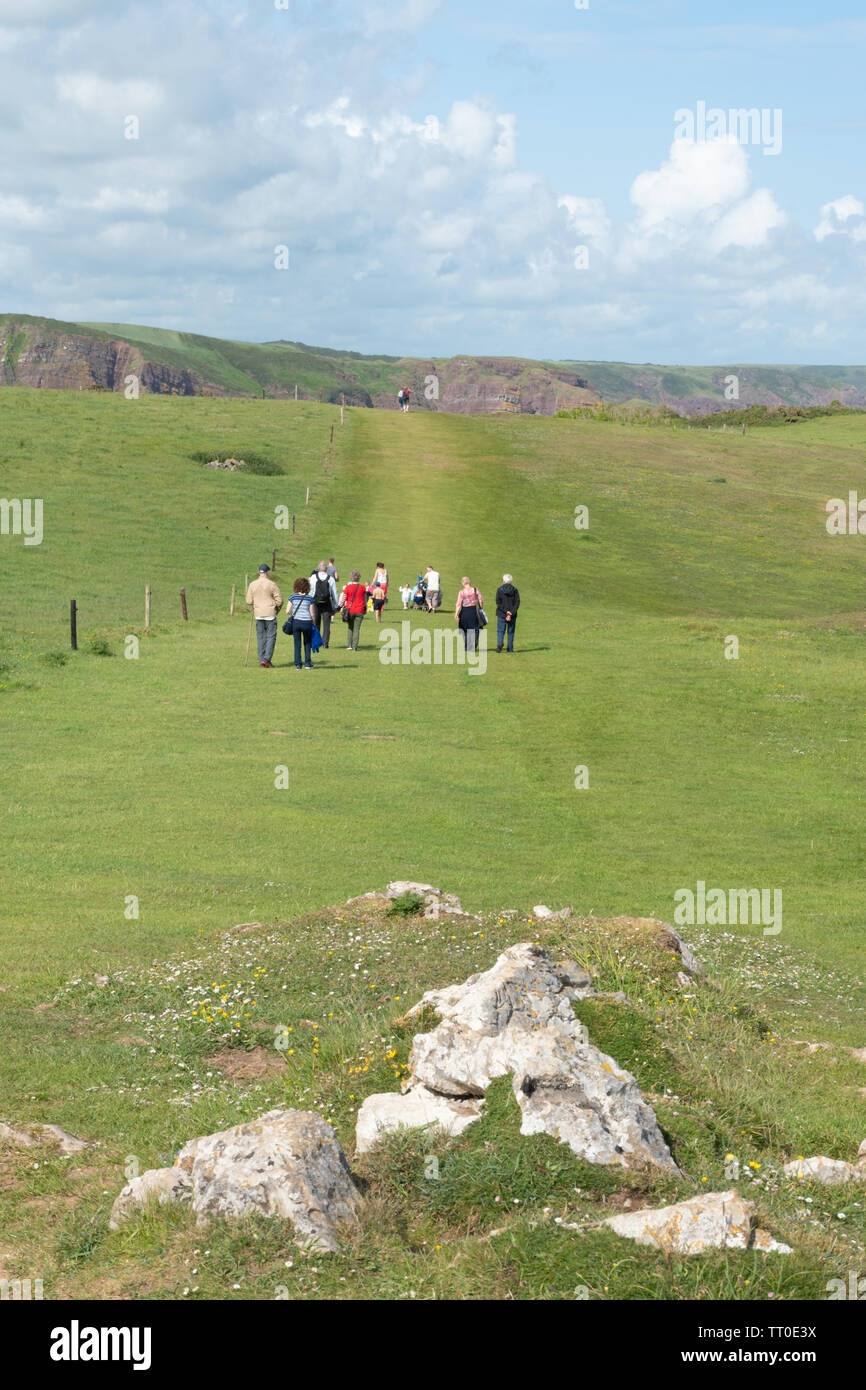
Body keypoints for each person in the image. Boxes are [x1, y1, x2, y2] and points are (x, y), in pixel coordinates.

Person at [245, 563, 282, 668]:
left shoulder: (252, 584)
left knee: (261, 637)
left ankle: (262, 660)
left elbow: (248, 601)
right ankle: (266, 659)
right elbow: (279, 601)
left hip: (258, 614)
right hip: (270, 613)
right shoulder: (272, 584)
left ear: (259, 572)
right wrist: (276, 608)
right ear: (268, 572)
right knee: (271, 636)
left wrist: (256, 603)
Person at [286, 578, 316, 669]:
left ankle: (298, 664)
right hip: (307, 622)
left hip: (296, 622)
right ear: (307, 587)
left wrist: (294, 613)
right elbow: (312, 613)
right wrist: (313, 622)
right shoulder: (310, 598)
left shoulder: (293, 597)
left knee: (297, 644)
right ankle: (308, 663)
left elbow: (287, 611)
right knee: (307, 643)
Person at [309, 562, 338, 648]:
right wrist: (336, 605)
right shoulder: (330, 578)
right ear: (326, 569)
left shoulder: (313, 577)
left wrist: (309, 602)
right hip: (327, 603)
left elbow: (311, 591)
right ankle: (325, 643)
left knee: (316, 623)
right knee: (327, 624)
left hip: (315, 602)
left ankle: (316, 642)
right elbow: (334, 593)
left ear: (318, 569)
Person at [339, 571, 367, 651]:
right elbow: (365, 600)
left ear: (351, 578)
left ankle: (349, 645)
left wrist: (339, 608)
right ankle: (355, 647)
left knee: (350, 628)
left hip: (350, 610)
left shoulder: (348, 587)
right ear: (359, 578)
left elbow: (343, 599)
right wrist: (365, 608)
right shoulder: (362, 587)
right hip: (360, 610)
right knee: (357, 629)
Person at [454, 576, 483, 653]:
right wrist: (480, 609)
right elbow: (480, 600)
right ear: (470, 582)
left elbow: (459, 604)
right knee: (476, 629)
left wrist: (456, 614)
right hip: (474, 611)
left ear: (463, 583)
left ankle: (467, 646)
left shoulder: (461, 592)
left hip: (465, 612)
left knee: (465, 629)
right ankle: (474, 644)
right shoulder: (476, 590)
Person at [495, 573, 520, 653]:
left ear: (503, 581)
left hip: (502, 613)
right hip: (512, 614)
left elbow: (498, 602)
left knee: (500, 630)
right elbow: (517, 602)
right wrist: (511, 613)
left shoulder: (500, 590)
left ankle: (500, 643)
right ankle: (510, 649)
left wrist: (506, 612)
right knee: (511, 632)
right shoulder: (515, 590)